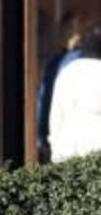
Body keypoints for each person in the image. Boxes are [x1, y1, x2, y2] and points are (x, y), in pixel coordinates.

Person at [48, 21, 101, 163]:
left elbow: (56, 117)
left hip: (66, 154)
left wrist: (55, 150)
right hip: (93, 158)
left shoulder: (67, 71)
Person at [35, 12, 82, 162]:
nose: (76, 35)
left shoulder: (64, 61)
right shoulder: (58, 63)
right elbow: (44, 100)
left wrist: (41, 139)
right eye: (71, 30)